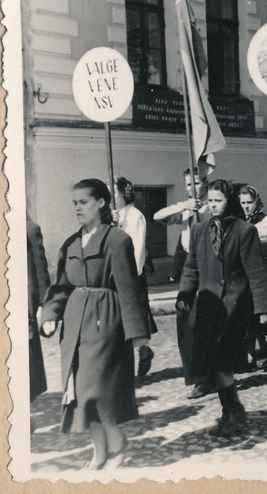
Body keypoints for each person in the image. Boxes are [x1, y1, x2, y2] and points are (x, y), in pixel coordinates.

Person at [39, 179, 150, 470]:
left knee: (97, 392)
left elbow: (128, 288)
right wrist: (50, 315)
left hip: (106, 321)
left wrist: (137, 333)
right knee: (80, 394)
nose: (77, 208)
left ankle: (118, 445)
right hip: (75, 326)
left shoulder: (117, 240)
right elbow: (61, 286)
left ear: (101, 203)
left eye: (83, 202)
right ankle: (99, 452)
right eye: (74, 203)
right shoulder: (70, 243)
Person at [176, 179, 267, 436]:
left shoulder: (244, 231)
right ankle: (231, 410)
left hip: (234, 306)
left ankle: (233, 411)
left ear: (228, 202)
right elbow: (191, 268)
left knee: (221, 362)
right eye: (210, 201)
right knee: (214, 363)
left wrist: (262, 308)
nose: (213, 205)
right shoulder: (198, 231)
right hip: (207, 306)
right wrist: (185, 292)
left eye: (218, 200)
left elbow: (256, 272)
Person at [153, 167, 213, 399]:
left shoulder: (211, 205)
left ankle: (213, 375)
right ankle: (198, 377)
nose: (192, 188)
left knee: (208, 323)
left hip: (209, 266)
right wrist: (184, 207)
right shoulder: (186, 208)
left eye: (196, 183)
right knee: (186, 322)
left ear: (206, 183)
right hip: (190, 269)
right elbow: (158, 216)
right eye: (188, 184)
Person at [113, 176, 157, 377]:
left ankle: (142, 350)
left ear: (124, 193)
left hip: (131, 273)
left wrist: (133, 275)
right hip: (114, 274)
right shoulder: (112, 215)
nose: (111, 195)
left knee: (133, 317)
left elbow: (137, 247)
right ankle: (139, 352)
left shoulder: (135, 215)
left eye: (114, 191)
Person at [238, 185, 267, 370]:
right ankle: (250, 354)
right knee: (246, 315)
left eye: (249, 202)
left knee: (259, 315)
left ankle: (266, 349)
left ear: (256, 202)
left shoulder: (264, 220)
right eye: (242, 203)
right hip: (243, 271)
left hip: (261, 267)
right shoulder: (239, 220)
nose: (246, 206)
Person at [27, 216, 49, 407]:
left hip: (24, 306)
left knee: (27, 360)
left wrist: (44, 304)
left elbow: (41, 269)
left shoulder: (30, 229)